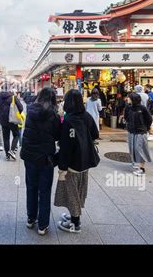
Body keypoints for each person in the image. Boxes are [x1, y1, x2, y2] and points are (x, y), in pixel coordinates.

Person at [55, 89, 100, 233]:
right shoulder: (86, 116)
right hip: (85, 160)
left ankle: (75, 223)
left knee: (72, 192)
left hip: (72, 163)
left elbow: (66, 146)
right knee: (79, 190)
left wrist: (62, 166)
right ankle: (74, 215)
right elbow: (95, 134)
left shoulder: (69, 120)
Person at [20, 88, 61, 236]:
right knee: (44, 191)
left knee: (31, 187)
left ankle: (31, 219)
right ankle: (43, 225)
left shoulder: (31, 110)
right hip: (45, 158)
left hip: (30, 156)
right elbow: (57, 135)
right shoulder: (54, 115)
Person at [124, 93, 153, 176]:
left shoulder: (142, 108)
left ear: (133, 99)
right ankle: (135, 164)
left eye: (128, 98)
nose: (127, 99)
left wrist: (146, 127)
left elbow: (149, 119)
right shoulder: (128, 107)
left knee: (139, 149)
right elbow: (126, 117)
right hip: (131, 131)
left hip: (141, 131)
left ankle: (142, 168)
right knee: (132, 148)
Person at [0, 86, 23, 161]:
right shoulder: (13, 97)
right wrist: (16, 114)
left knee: (6, 137)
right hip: (13, 121)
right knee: (16, 134)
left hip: (3, 121)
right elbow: (21, 108)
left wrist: (0, 118)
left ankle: (7, 154)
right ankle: (12, 150)